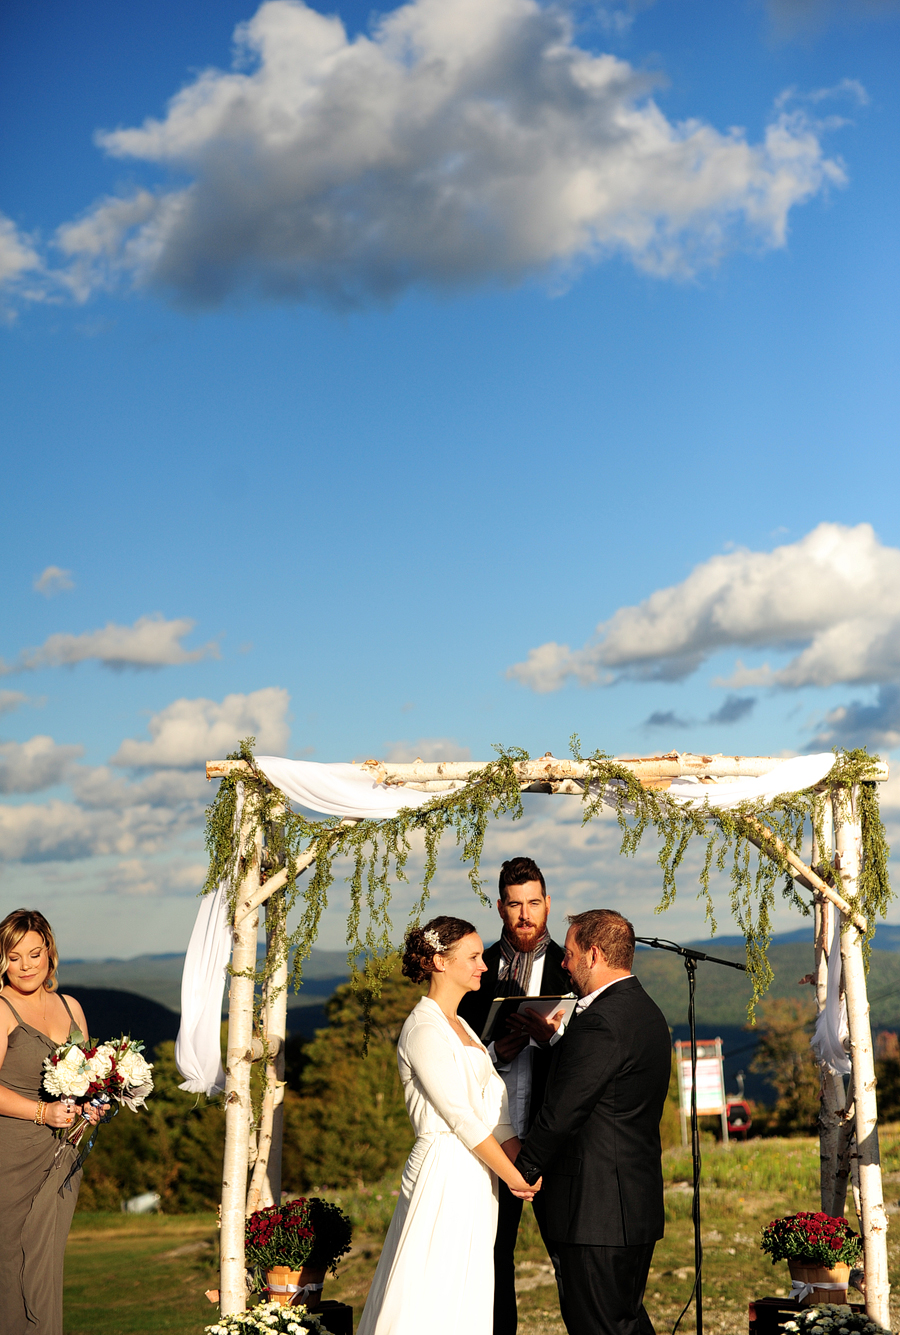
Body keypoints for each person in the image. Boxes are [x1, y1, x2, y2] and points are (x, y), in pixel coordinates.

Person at [357, 915, 540, 1335]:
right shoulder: (423, 1028)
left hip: (478, 1173)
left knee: (468, 1282)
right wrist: (515, 1178)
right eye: (473, 957)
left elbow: (498, 1118)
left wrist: (528, 1170)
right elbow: (459, 1117)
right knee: (431, 1282)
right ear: (440, 962)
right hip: (442, 1169)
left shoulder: (467, 1031)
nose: (484, 966)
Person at [515, 910, 671, 1335]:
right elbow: (607, 1090)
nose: (563, 964)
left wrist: (522, 1170)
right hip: (629, 1205)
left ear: (594, 955)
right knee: (624, 1321)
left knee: (599, 1326)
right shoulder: (645, 1010)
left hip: (595, 1210)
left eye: (568, 954)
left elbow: (564, 1111)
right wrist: (553, 1043)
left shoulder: (599, 1020)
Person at [458, 857, 570, 1335]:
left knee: (570, 1260)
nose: (525, 915)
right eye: (515, 905)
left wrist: (551, 1040)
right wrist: (492, 1050)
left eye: (534, 903)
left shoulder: (573, 969)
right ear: (500, 908)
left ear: (547, 904)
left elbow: (590, 1062)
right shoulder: (473, 971)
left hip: (554, 1142)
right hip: (491, 1142)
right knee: (490, 1262)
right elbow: (453, 1051)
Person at [0, 908, 100, 1335]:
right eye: (14, 956)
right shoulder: (2, 1010)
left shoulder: (70, 1006)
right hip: (11, 1160)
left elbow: (92, 1079)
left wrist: (97, 1104)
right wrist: (42, 1112)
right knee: (11, 1267)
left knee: (47, 1267)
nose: (25, 966)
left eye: (34, 954)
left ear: (50, 954)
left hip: (63, 1157)